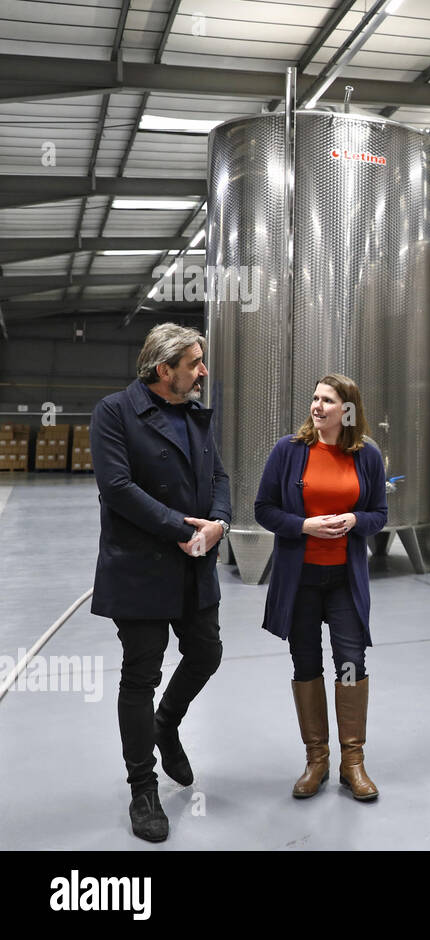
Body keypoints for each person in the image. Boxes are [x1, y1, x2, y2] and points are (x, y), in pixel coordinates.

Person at [90, 322, 230, 843]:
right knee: (140, 675)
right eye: (195, 363)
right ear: (163, 369)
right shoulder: (114, 412)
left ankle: (165, 724)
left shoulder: (195, 416)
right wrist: (178, 529)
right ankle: (143, 788)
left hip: (195, 560)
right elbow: (118, 487)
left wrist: (218, 523)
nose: (203, 372)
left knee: (206, 653)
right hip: (141, 566)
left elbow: (218, 476)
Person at [254, 372, 387, 801]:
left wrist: (354, 520)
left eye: (327, 400)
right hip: (303, 582)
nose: (317, 406)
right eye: (314, 398)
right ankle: (317, 761)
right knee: (306, 664)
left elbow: (378, 514)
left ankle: (353, 763)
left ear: (347, 410)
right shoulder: (289, 452)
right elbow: (263, 509)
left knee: (351, 664)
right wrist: (304, 525)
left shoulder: (367, 456)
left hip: (345, 581)